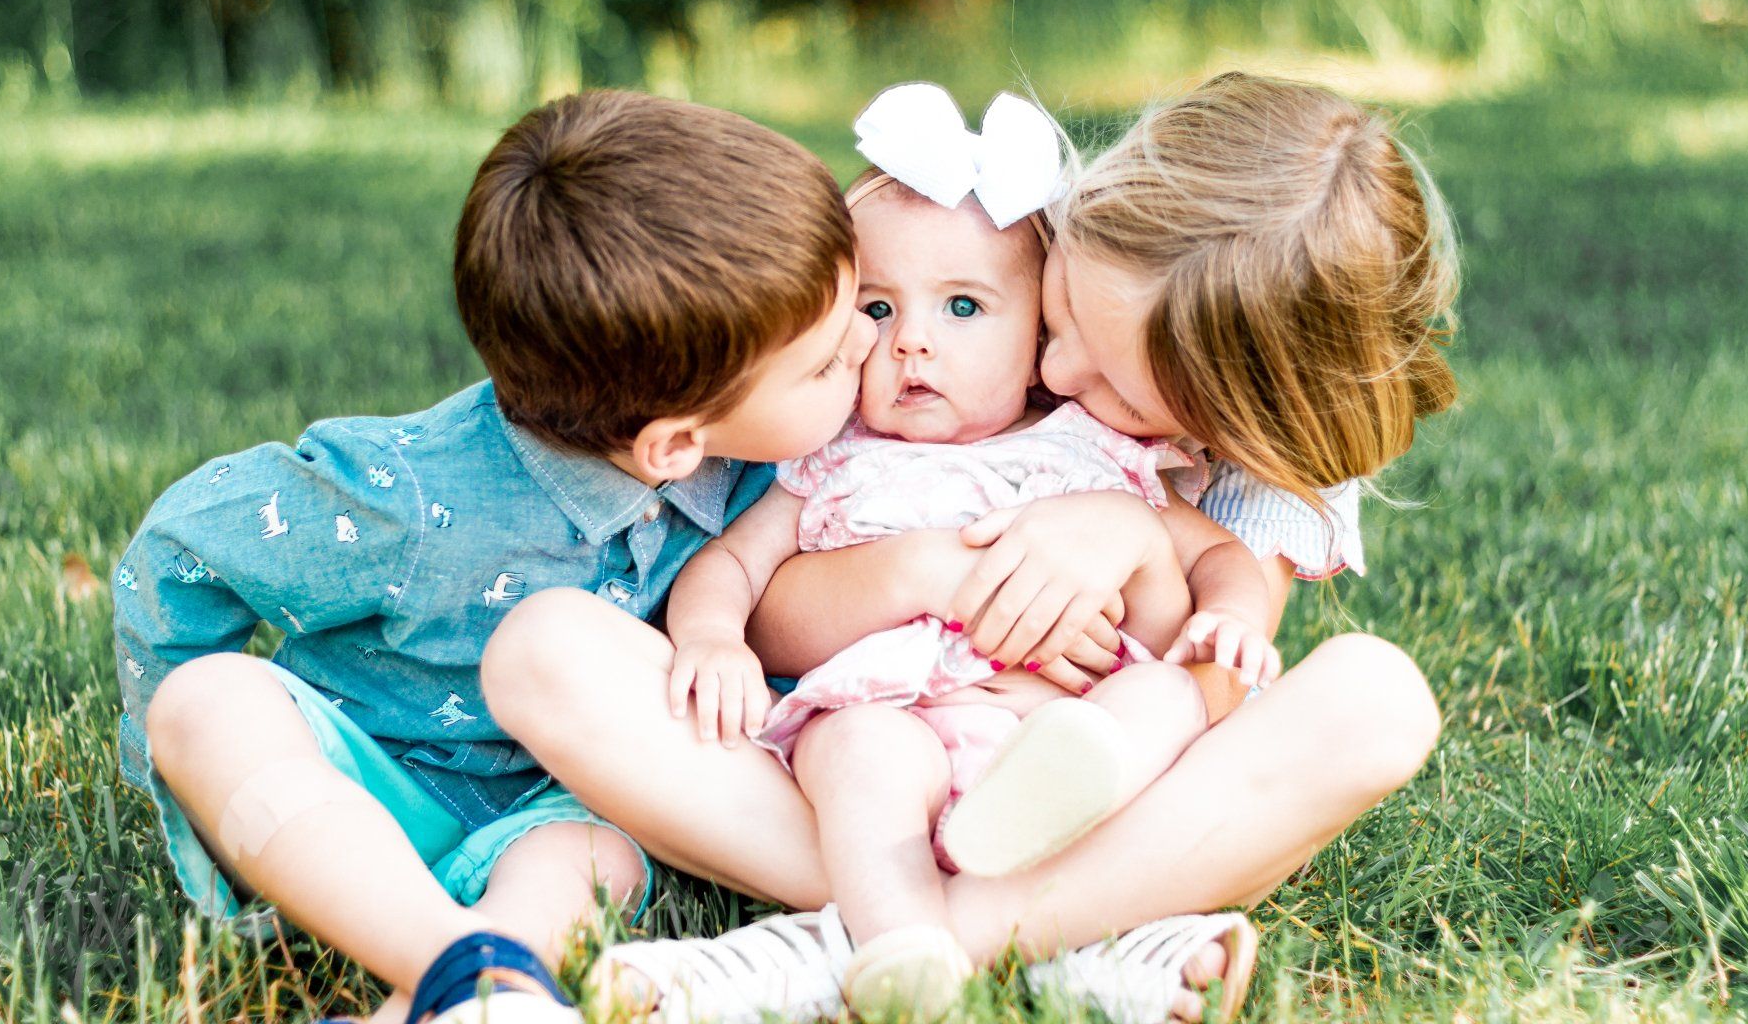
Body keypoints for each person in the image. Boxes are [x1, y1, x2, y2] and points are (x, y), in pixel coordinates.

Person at [484, 71, 1457, 1024]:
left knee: (1379, 698)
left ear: (1226, 424)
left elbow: (1199, 674)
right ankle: (1070, 939)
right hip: (863, 740)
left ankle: (858, 944)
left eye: (1120, 389)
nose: (1059, 369)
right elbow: (764, 605)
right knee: (546, 649)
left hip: (1078, 761)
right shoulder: (953, 275)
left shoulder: (1217, 456)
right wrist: (928, 571)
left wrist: (1136, 537)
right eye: (1061, 316)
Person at [111, 91, 877, 1024]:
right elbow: (184, 546)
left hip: (560, 813)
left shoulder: (765, 472)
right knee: (207, 707)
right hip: (353, 787)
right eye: (829, 362)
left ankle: (470, 994)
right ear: (673, 444)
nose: (870, 348)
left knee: (599, 854)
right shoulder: (404, 494)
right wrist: (196, 753)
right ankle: (456, 961)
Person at [645, 85, 1280, 1019]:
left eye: (964, 308)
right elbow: (731, 567)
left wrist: (1234, 615)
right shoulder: (831, 459)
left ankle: (979, 921)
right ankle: (910, 941)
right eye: (876, 308)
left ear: (1040, 338)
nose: (912, 344)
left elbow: (1216, 555)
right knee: (858, 755)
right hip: (898, 717)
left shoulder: (1093, 452)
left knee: (1164, 695)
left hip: (1059, 731)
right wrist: (708, 638)